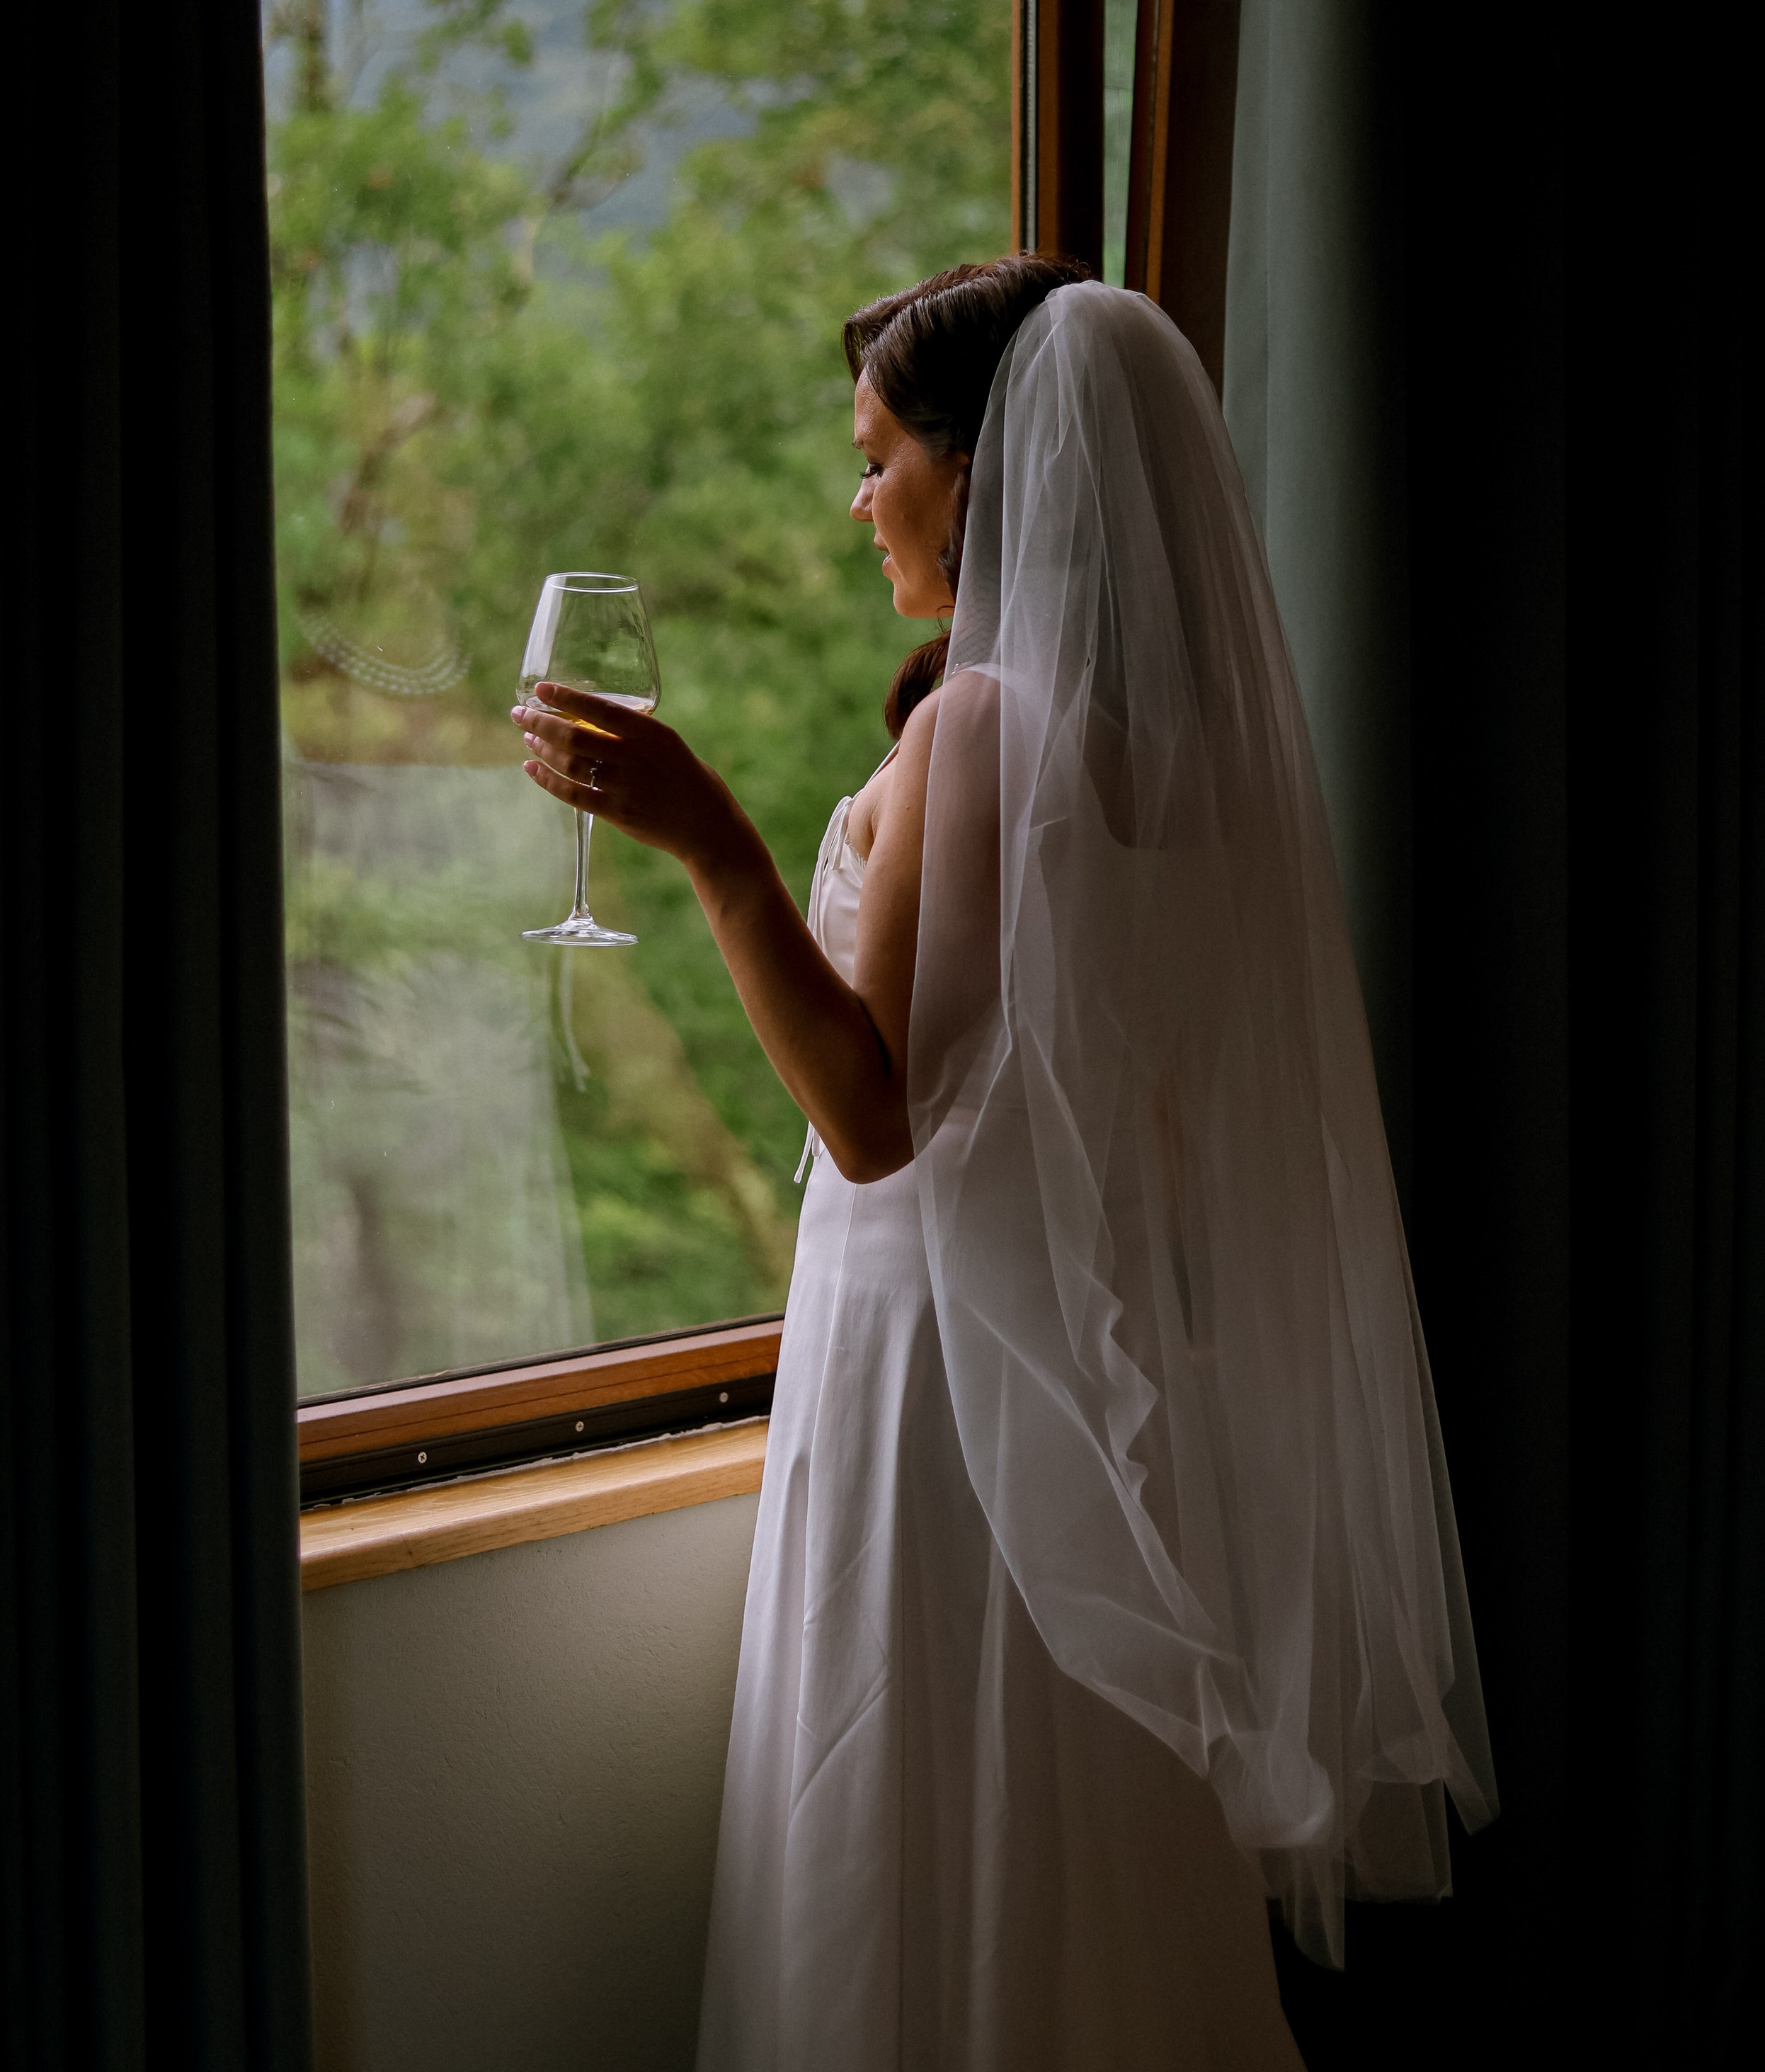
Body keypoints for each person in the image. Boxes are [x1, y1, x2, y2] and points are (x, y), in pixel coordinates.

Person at [513, 257, 1496, 2071]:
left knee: (913, 1805)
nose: (858, 495)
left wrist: (708, 840)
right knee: (1058, 1835)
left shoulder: (981, 731)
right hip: (1078, 1360)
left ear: (980, 472)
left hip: (941, 1371)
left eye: (878, 455)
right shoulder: (1179, 759)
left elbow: (875, 1124)